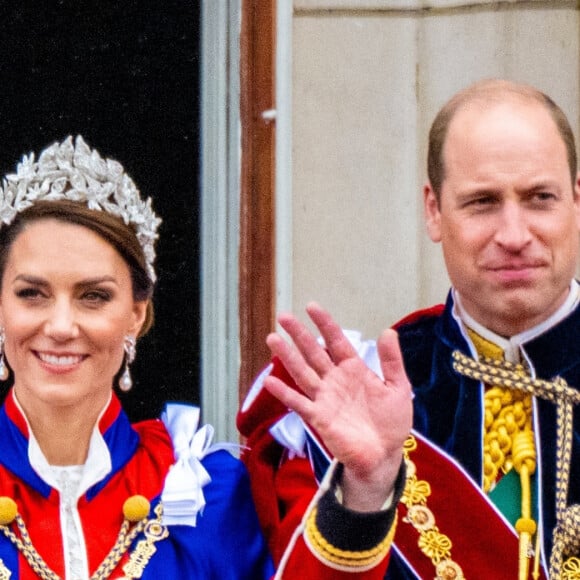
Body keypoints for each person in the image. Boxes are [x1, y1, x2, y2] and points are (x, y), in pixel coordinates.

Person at [237, 78, 580, 579]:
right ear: (434, 211)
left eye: (539, 198)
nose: (513, 235)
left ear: (576, 200)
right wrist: (364, 491)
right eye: (482, 202)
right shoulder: (362, 393)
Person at [0, 135, 274, 579]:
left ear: (135, 314)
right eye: (32, 294)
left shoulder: (207, 496)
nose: (61, 326)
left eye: (93, 296)